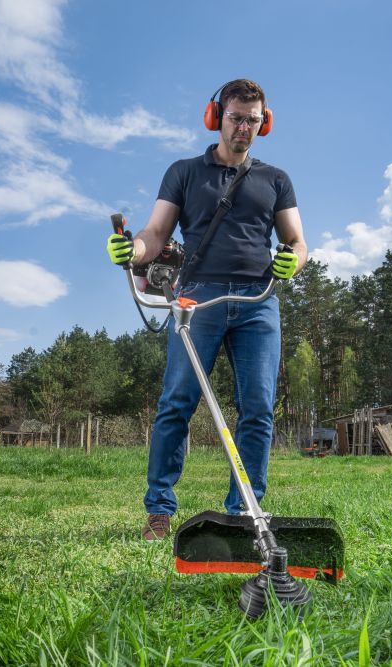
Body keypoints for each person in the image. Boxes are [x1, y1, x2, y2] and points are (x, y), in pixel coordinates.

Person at [106, 79, 307, 540]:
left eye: (253, 120)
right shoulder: (184, 172)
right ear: (216, 117)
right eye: (235, 117)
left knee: (257, 408)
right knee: (177, 401)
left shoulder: (276, 179)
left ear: (265, 123)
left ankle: (243, 510)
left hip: (258, 302)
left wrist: (291, 261)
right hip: (199, 297)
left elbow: (297, 242)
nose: (243, 128)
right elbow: (155, 233)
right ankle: (159, 509)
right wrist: (133, 250)